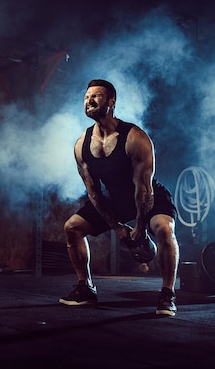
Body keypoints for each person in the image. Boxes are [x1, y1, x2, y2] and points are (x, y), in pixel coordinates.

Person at [59, 79, 180, 316]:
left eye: (96, 96)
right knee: (72, 227)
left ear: (111, 102)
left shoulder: (135, 138)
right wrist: (116, 227)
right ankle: (86, 288)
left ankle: (167, 293)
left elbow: (143, 190)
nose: (89, 101)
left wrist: (141, 227)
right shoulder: (81, 145)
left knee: (164, 229)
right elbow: (93, 192)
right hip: (115, 199)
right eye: (86, 97)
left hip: (149, 195)